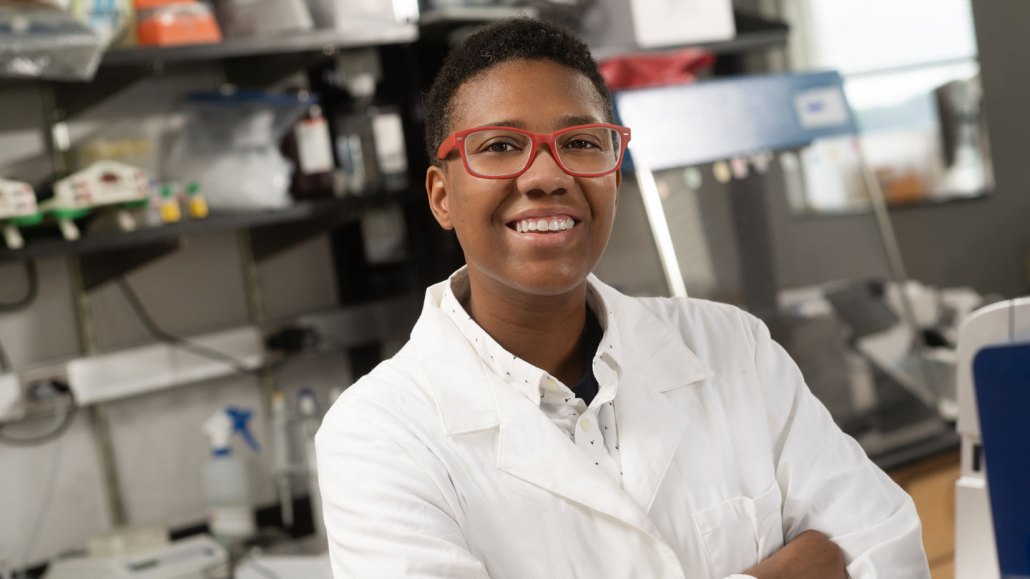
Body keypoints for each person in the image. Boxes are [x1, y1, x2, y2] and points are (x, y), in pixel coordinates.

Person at [315, 17, 930, 579]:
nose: (547, 175)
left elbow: (887, 549)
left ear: (613, 168)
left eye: (581, 141)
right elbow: (838, 562)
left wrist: (839, 557)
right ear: (441, 195)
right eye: (500, 146)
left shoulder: (732, 346)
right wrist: (802, 566)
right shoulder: (379, 436)